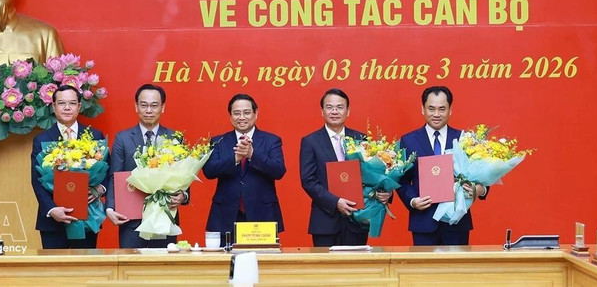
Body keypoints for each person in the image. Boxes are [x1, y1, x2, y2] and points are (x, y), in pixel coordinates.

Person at [397, 86, 488, 246]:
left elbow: (481, 173)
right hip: (423, 221)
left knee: (457, 264)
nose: (436, 114)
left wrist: (481, 190)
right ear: (423, 109)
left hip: (456, 222)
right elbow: (401, 179)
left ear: (450, 110)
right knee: (424, 264)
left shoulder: (464, 139)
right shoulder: (408, 140)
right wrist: (412, 201)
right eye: (431, 108)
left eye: (442, 109)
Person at [299, 88, 390, 246]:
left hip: (358, 220)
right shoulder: (310, 141)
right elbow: (308, 181)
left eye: (340, 107)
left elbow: (374, 175)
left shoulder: (362, 139)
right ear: (322, 111)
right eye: (329, 107)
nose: (334, 111)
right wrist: (336, 202)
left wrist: (384, 192)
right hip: (325, 222)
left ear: (348, 111)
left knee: (356, 262)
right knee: (326, 262)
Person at [105, 84, 188, 248]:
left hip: (165, 217)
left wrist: (183, 196)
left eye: (154, 105)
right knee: (131, 262)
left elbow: (184, 175)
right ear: (136, 107)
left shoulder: (175, 138)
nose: (149, 110)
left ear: (163, 107)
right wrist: (109, 208)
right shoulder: (123, 138)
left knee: (162, 263)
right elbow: (114, 176)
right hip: (131, 220)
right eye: (144, 105)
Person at [31, 85, 105, 248]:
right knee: (55, 264)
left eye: (72, 103)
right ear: (54, 106)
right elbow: (36, 180)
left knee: (85, 263)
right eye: (61, 103)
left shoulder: (95, 136)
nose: (67, 107)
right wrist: (51, 209)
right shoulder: (42, 139)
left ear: (79, 106)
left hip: (87, 218)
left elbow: (106, 172)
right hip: (53, 222)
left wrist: (100, 189)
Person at [203, 93, 286, 238]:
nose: (241, 117)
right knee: (225, 253)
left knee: (262, 254)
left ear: (255, 114)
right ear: (230, 116)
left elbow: (278, 170)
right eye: (237, 113)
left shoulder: (271, 140)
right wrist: (235, 158)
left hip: (261, 214)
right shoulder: (218, 141)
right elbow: (209, 171)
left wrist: (252, 155)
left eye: (247, 112)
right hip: (225, 215)